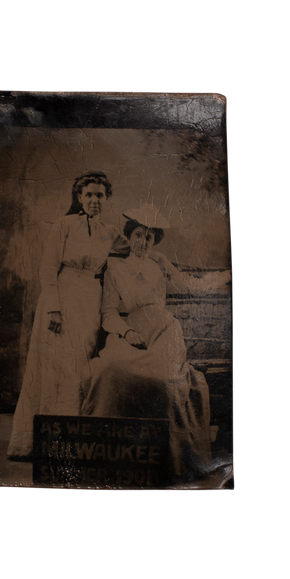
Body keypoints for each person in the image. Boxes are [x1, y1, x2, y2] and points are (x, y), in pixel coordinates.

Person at [80, 204, 212, 479]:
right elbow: (108, 313)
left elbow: (191, 285)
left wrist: (226, 276)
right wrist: (126, 332)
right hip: (129, 331)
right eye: (138, 235)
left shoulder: (160, 265)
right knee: (110, 370)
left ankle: (166, 457)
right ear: (129, 236)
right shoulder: (115, 267)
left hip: (165, 331)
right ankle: (114, 457)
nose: (143, 242)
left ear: (155, 241)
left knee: (165, 379)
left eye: (149, 237)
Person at [7, 171, 131, 459]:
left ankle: (68, 444)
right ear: (79, 198)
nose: (94, 200)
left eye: (100, 195)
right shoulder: (63, 225)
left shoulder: (110, 232)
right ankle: (40, 444)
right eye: (88, 194)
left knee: (78, 370)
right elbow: (49, 268)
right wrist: (54, 309)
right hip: (60, 300)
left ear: (107, 199)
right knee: (53, 367)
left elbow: (132, 250)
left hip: (89, 304)